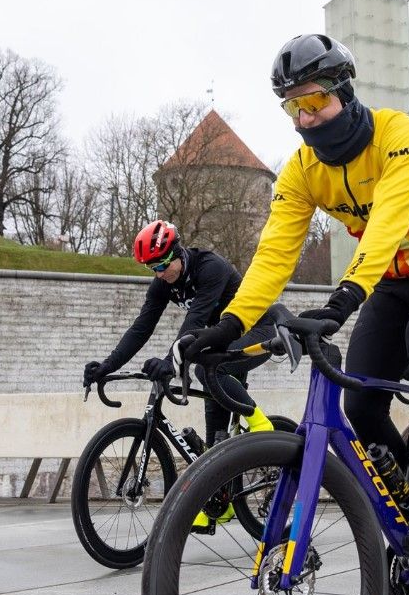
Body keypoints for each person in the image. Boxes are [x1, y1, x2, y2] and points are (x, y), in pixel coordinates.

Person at [181, 33, 409, 555]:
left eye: (314, 101)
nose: (304, 119)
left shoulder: (400, 135)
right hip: (391, 279)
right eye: (292, 107)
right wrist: (230, 326)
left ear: (345, 91)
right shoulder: (302, 171)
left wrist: (344, 299)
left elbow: (389, 218)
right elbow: (274, 255)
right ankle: (408, 491)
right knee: (362, 405)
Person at [83, 220, 277, 529]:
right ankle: (221, 506)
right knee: (216, 440)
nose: (159, 273)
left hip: (259, 330)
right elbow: (141, 327)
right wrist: (108, 365)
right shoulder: (162, 282)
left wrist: (170, 363)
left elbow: (195, 319)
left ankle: (261, 424)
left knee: (207, 367)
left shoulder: (210, 267)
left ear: (178, 252)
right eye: (151, 268)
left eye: (162, 264)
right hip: (219, 342)